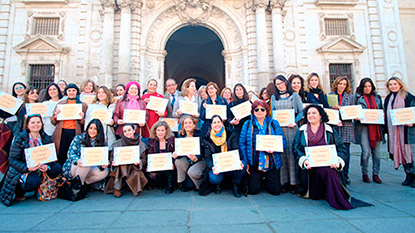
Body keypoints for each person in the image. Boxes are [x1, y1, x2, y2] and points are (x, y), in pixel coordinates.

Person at [293, 105, 354, 210]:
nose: (311, 115)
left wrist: (338, 161)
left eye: (314, 113)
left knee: (328, 170)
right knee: (315, 196)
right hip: (309, 169)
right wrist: (303, 160)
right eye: (308, 113)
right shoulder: (302, 131)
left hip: (327, 166)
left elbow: (341, 148)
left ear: (321, 115)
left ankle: (337, 199)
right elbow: (296, 148)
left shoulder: (329, 130)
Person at [0, 114, 61, 206]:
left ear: (42, 124)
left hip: (40, 167)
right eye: (32, 122)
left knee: (56, 168)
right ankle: (19, 192)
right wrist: (27, 168)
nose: (36, 125)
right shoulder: (19, 138)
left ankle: (42, 188)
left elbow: (51, 157)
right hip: (25, 168)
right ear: (27, 125)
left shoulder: (46, 137)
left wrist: (47, 166)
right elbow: (12, 160)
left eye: (38, 122)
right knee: (33, 181)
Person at [239, 100, 287, 195]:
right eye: (256, 110)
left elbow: (282, 140)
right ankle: (259, 179)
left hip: (271, 162)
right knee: (253, 190)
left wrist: (275, 149)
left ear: (266, 111)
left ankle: (266, 179)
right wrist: (246, 162)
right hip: (254, 163)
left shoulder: (274, 123)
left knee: (275, 191)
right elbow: (242, 143)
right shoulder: (247, 124)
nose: (259, 111)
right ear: (253, 112)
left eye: (262, 109)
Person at [270, 75, 303, 193]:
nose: (280, 85)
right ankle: (283, 182)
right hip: (280, 130)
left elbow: (301, 111)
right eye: (277, 84)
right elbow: (272, 113)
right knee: (282, 155)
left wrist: (294, 121)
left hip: (291, 129)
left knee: (291, 154)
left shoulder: (294, 96)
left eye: (281, 83)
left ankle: (294, 183)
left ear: (285, 82)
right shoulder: (274, 97)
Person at [202, 115, 245, 197]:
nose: (217, 124)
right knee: (214, 178)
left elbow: (236, 149)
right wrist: (212, 167)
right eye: (214, 122)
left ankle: (235, 184)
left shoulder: (230, 134)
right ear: (211, 125)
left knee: (243, 164)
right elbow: (207, 157)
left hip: (230, 162)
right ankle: (217, 184)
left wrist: (238, 161)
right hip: (217, 166)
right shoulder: (207, 138)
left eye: (219, 122)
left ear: (222, 123)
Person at [384, 77, 415, 187]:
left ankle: (413, 175)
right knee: (401, 153)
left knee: (410, 154)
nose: (393, 86)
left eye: (395, 84)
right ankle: (408, 174)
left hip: (407, 132)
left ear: (400, 84)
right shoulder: (388, 98)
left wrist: (413, 123)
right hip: (394, 131)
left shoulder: (408, 97)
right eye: (390, 84)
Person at [62, 119, 109, 187]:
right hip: (75, 165)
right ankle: (78, 187)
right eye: (90, 128)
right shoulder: (79, 138)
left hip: (90, 167)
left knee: (105, 171)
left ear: (99, 131)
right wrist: (78, 160)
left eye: (95, 129)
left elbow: (100, 160)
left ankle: (83, 184)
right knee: (85, 164)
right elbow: (70, 153)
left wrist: (103, 165)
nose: (92, 131)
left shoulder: (102, 143)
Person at [105, 124, 148, 197]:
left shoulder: (141, 144)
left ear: (134, 131)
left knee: (134, 169)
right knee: (122, 165)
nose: (127, 132)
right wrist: (113, 162)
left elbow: (144, 159)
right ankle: (117, 188)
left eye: (129, 130)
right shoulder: (117, 144)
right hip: (120, 167)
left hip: (134, 166)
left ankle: (129, 186)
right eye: (125, 131)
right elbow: (112, 157)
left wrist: (140, 161)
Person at [354, 78, 384, 184]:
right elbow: (353, 110)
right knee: (365, 152)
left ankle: (376, 173)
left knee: (377, 154)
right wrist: (356, 116)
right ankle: (365, 173)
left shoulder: (378, 98)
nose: (367, 88)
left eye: (369, 86)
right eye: (365, 86)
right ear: (362, 87)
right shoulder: (357, 98)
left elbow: (382, 110)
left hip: (376, 128)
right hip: (363, 128)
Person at [52, 83, 88, 165]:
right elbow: (53, 122)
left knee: (73, 152)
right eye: (69, 90)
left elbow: (85, 124)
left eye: (73, 90)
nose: (71, 92)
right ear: (66, 92)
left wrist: (82, 118)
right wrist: (56, 116)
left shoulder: (83, 105)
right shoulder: (60, 104)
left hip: (75, 131)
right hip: (62, 132)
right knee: (61, 152)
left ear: (77, 92)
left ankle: (72, 171)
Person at [329, 76, 355, 184]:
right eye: (340, 83)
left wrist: (342, 110)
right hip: (334, 127)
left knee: (346, 152)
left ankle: (345, 174)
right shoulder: (330, 96)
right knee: (334, 151)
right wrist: (332, 109)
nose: (342, 86)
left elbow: (353, 111)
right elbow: (327, 110)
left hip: (346, 126)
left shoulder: (351, 97)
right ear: (336, 84)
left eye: (344, 84)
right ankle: (336, 174)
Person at [173, 116, 206, 191]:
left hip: (200, 160)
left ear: (194, 125)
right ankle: (182, 182)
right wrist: (176, 155)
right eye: (186, 123)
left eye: (190, 122)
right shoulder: (180, 137)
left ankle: (198, 185)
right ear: (183, 126)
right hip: (188, 161)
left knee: (193, 172)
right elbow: (180, 152)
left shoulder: (200, 135)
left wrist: (196, 157)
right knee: (178, 161)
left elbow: (204, 152)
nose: (188, 125)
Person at [146, 121, 175, 194]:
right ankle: (160, 183)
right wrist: (149, 165)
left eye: (162, 130)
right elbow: (150, 154)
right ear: (155, 131)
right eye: (158, 130)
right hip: (157, 164)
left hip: (169, 164)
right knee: (153, 175)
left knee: (168, 171)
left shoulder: (172, 140)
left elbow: (175, 152)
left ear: (166, 131)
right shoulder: (151, 142)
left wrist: (173, 160)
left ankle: (170, 185)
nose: (160, 132)